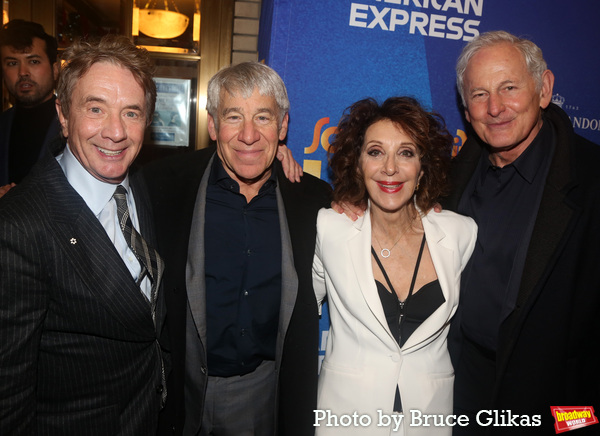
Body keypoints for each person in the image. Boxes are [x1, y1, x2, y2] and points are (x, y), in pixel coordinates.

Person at [142, 61, 332, 435]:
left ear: (284, 125)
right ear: (213, 125)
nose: (248, 135)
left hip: (261, 395)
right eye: (233, 117)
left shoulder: (313, 200)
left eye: (263, 117)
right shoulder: (161, 185)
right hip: (174, 396)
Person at [0, 35, 167, 434]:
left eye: (132, 113)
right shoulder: (19, 226)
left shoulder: (141, 185)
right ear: (63, 113)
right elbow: (7, 395)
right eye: (96, 108)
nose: (115, 132)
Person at [445, 31, 600, 434]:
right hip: (462, 390)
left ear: (543, 89)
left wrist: (580, 422)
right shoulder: (450, 179)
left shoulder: (592, 179)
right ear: (465, 106)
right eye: (479, 94)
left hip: (553, 406)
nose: (494, 108)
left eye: (509, 88)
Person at [313, 96, 477, 435]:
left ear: (422, 167)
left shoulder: (460, 233)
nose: (390, 168)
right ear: (358, 164)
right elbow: (296, 314)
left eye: (406, 153)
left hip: (428, 420)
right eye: (375, 152)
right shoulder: (329, 229)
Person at [0, 19, 60, 196]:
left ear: (55, 70)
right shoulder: (2, 125)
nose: (22, 72)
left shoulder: (75, 126)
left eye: (33, 61)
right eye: (12, 63)